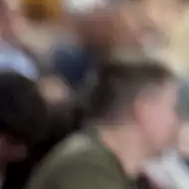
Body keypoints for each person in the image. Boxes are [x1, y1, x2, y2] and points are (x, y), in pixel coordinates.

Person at [25, 55, 180, 189]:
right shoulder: (86, 168)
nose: (176, 120)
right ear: (144, 111)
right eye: (172, 107)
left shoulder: (100, 163)